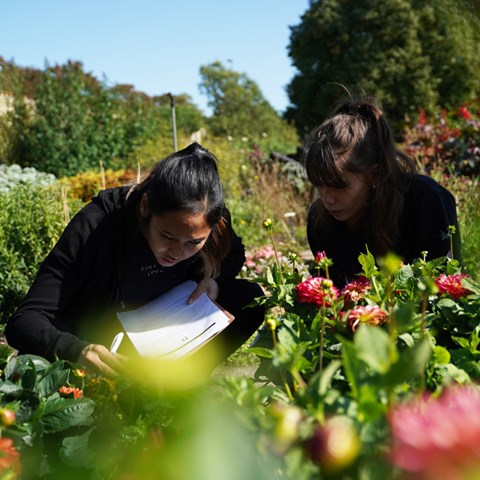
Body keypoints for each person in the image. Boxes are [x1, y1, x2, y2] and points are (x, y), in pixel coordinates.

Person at [5, 143, 265, 376]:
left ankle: (180, 385)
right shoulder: (98, 224)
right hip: (98, 339)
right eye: (167, 236)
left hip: (159, 331)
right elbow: (25, 320)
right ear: (145, 206)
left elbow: (233, 254)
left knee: (250, 297)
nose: (177, 251)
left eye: (193, 243)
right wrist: (76, 350)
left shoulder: (210, 221)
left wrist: (212, 280)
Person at [303, 97, 461, 287]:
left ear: (374, 174)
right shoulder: (320, 221)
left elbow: (447, 289)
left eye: (339, 185)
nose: (327, 199)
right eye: (318, 184)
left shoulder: (426, 201)